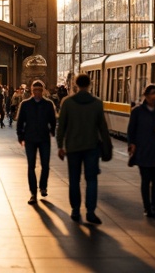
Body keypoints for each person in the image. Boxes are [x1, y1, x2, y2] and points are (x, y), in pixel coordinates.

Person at [56, 73, 110, 225]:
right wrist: (107, 145)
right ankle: (91, 212)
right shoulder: (97, 103)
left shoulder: (67, 102)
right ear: (90, 84)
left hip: (72, 148)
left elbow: (61, 126)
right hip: (91, 147)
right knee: (91, 180)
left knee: (74, 179)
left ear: (75, 84)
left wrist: (60, 145)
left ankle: (75, 209)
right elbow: (103, 128)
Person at [127, 84, 155, 218]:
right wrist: (131, 144)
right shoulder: (137, 111)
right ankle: (147, 207)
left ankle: (154, 206)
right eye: (152, 93)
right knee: (146, 180)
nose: (154, 96)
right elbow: (131, 130)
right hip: (143, 149)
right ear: (146, 95)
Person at [15, 79, 56, 205]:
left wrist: (52, 131)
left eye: (39, 90)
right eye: (35, 90)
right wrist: (20, 136)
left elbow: (53, 120)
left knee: (45, 165)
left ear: (43, 91)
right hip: (30, 138)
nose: (37, 92)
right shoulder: (25, 104)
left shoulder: (48, 104)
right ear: (31, 91)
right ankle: (33, 193)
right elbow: (20, 121)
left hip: (44, 138)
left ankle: (43, 187)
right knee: (31, 166)